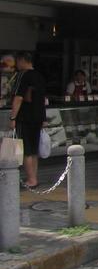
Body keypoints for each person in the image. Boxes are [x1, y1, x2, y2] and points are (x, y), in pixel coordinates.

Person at [8, 52, 46, 189]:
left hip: (24, 117)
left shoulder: (22, 75)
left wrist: (13, 117)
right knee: (34, 149)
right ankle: (34, 177)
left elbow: (18, 98)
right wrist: (43, 118)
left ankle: (31, 180)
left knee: (25, 149)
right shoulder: (39, 76)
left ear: (23, 61)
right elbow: (42, 100)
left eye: (18, 61)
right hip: (38, 117)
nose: (17, 65)